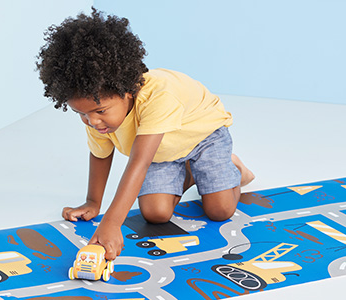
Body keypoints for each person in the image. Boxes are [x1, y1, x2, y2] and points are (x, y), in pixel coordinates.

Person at [36, 8, 254, 261]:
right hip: (163, 151)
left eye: (99, 111)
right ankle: (191, 171)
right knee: (155, 213)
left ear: (127, 91)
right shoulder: (96, 119)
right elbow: (100, 155)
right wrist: (93, 202)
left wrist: (112, 222)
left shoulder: (159, 96)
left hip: (203, 138)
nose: (92, 121)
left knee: (219, 210)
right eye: (80, 113)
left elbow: (139, 163)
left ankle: (234, 168)